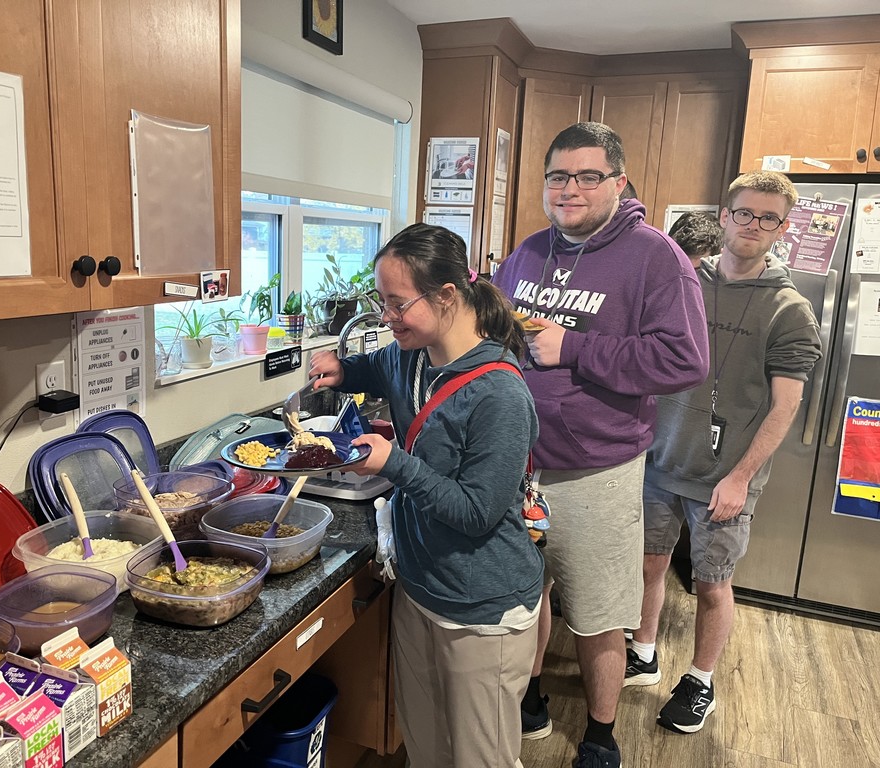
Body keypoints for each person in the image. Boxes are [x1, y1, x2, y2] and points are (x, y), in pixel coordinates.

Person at [491, 121, 709, 768]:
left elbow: (686, 359)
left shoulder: (654, 257)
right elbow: (498, 335)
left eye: (588, 176)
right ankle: (530, 698)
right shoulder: (526, 252)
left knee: (598, 614)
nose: (570, 189)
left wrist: (575, 348)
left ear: (617, 182)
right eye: (558, 176)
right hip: (520, 464)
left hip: (599, 470)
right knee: (526, 598)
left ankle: (601, 732)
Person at [309, 223, 543, 768]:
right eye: (380, 302)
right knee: (427, 750)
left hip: (482, 606)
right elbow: (377, 367)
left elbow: (479, 513)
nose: (387, 318)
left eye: (397, 304)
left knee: (480, 759)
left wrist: (396, 465)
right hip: (421, 590)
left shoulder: (500, 394)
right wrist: (342, 370)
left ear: (446, 296)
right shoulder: (411, 354)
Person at [630, 171, 822, 733]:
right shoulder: (684, 281)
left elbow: (784, 407)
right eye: (744, 213)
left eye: (768, 217)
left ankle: (700, 681)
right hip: (659, 458)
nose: (753, 225)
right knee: (649, 564)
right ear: (725, 214)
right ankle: (643, 649)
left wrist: (741, 477)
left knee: (712, 583)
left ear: (782, 227)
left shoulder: (789, 311)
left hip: (726, 476)